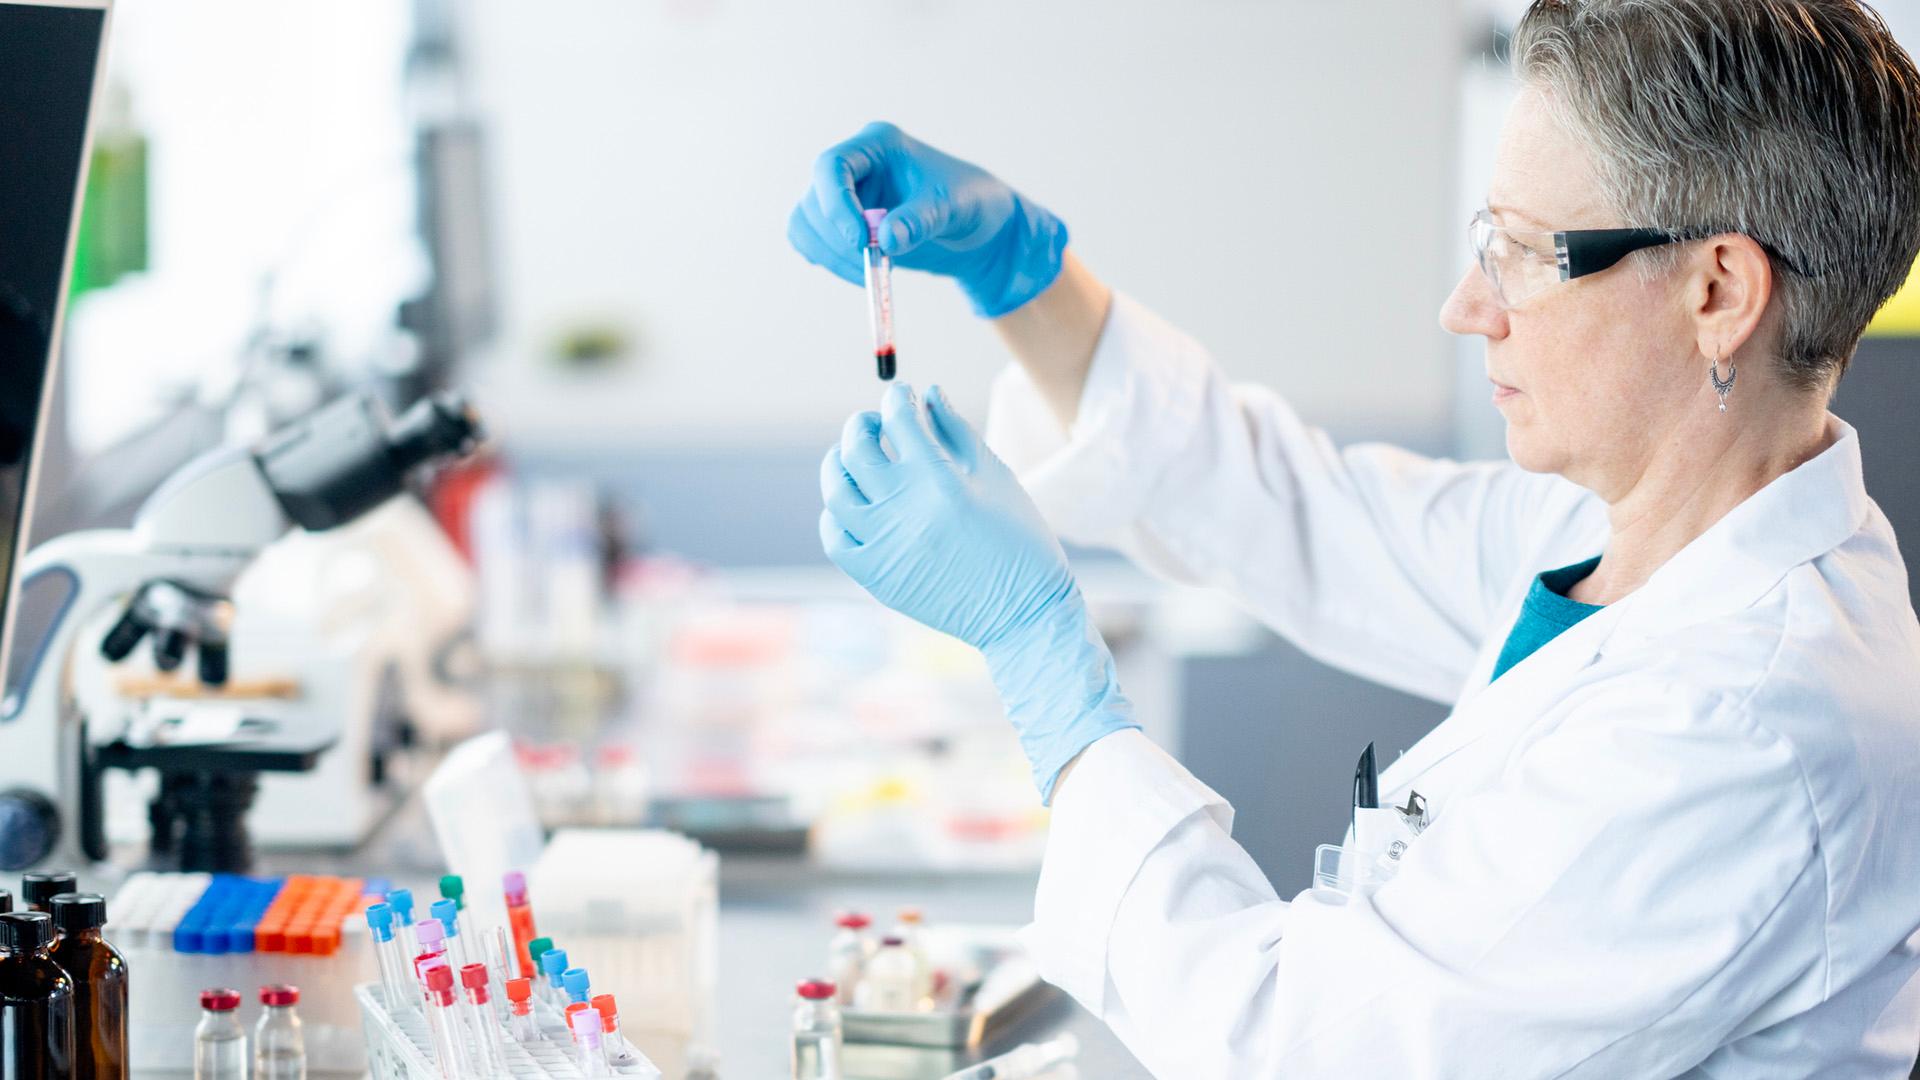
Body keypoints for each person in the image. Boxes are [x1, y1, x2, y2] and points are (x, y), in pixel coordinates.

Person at [792, 1, 1920, 1076]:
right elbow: (1289, 508)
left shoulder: (1748, 726)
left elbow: (1286, 1048)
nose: (1468, 306)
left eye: (1525, 251)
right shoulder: (1630, 530)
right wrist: (1021, 271)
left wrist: (1041, 654)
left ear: (1718, 292)